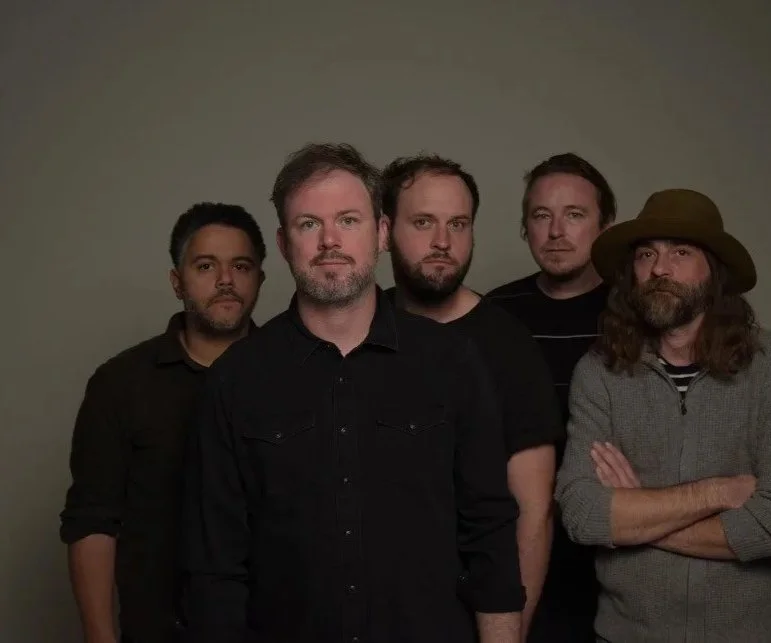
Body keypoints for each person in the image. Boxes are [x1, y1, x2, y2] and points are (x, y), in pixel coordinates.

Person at [181, 143, 524, 643]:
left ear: (381, 232)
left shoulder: (452, 362)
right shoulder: (236, 380)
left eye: (347, 219)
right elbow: (214, 568)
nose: (328, 241)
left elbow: (489, 530)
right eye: (307, 225)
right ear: (282, 242)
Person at [554, 188, 771, 642]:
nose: (660, 269)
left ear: (714, 272)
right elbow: (583, 515)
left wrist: (637, 515)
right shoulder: (600, 371)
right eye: (647, 255)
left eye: (681, 252)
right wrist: (719, 491)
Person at [59, 203, 267, 643]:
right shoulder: (120, 383)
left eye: (241, 266)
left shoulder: (296, 377)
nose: (226, 280)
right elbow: (91, 523)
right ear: (178, 282)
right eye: (206, 265)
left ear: (260, 279)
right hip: (158, 629)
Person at [381, 153, 563, 638]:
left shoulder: (507, 346)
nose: (443, 242)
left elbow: (533, 512)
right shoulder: (361, 329)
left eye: (458, 224)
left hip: (468, 618)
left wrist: (510, 633)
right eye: (424, 222)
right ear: (384, 232)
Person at [486, 153, 617, 641]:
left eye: (575, 215)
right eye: (541, 216)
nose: (556, 231)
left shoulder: (636, 313)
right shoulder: (493, 313)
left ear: (605, 227)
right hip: (514, 543)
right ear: (525, 228)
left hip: (613, 552)